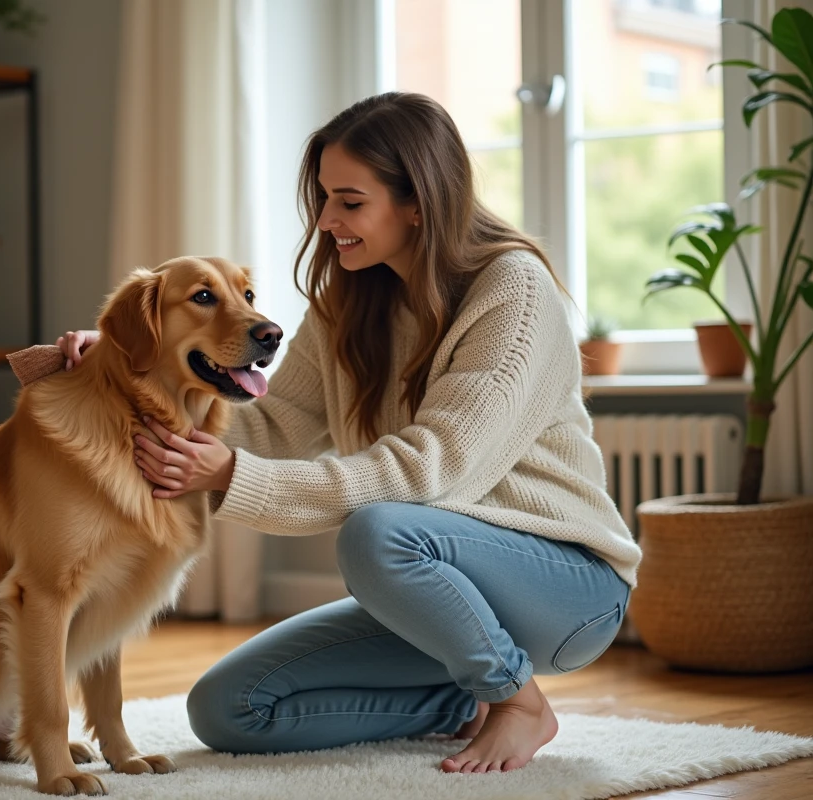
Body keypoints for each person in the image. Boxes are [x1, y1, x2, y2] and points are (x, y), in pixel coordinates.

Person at [56, 92, 639, 775]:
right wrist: (138, 355)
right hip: (448, 583)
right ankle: (465, 696)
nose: (328, 220)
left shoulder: (512, 290)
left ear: (417, 202)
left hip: (567, 585)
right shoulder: (349, 302)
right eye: (325, 199)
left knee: (377, 530)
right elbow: (272, 425)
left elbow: (434, 472)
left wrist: (226, 476)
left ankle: (518, 702)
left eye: (350, 201)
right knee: (228, 708)